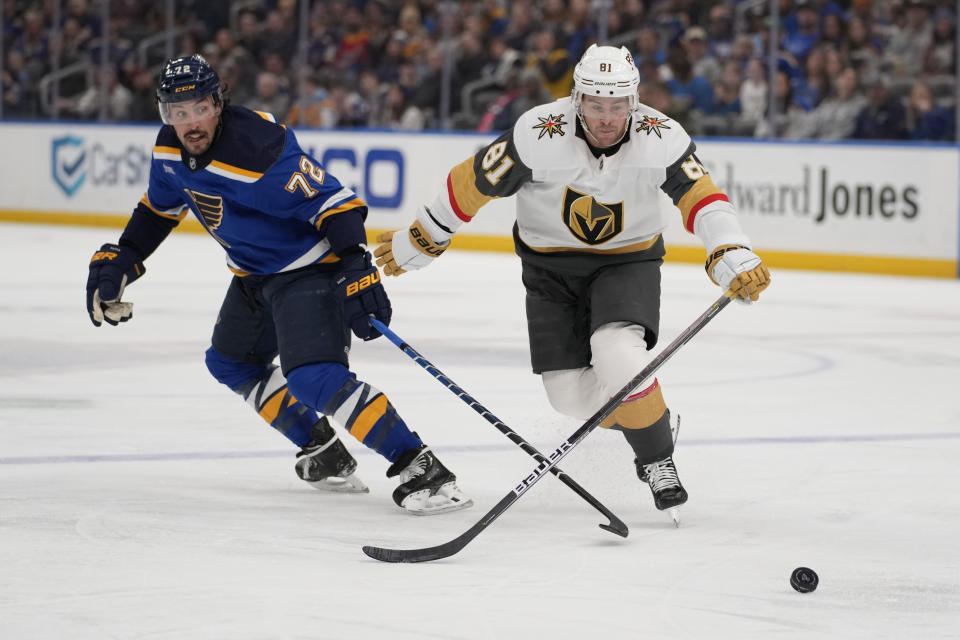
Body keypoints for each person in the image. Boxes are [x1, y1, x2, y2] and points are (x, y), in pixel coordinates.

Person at [374, 45, 770, 523]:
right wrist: (426, 234)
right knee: (566, 395)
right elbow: (470, 181)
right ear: (577, 99)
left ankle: (657, 457)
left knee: (616, 352)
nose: (607, 118)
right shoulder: (539, 133)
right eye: (596, 105)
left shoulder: (661, 136)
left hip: (626, 262)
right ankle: (653, 417)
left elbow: (703, 198)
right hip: (549, 271)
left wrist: (728, 246)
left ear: (634, 101)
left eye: (618, 106)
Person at [84, 55, 472, 516]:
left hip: (309, 268)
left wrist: (353, 262)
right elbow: (158, 209)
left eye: (198, 108)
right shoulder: (169, 149)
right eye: (177, 111)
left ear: (218, 102)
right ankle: (322, 447)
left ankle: (420, 466)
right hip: (252, 274)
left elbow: (336, 203)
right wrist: (125, 257)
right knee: (231, 363)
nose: (189, 123)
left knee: (312, 377)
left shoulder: (258, 147)